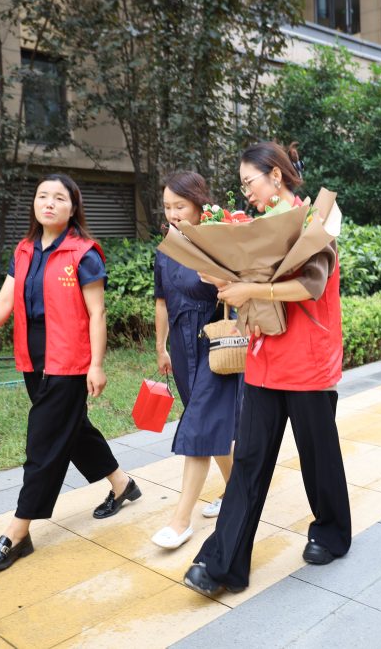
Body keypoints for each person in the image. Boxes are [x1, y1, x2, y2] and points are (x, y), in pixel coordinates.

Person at [183, 142, 351, 595]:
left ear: (276, 176)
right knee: (251, 461)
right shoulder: (253, 227)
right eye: (241, 186)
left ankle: (332, 533)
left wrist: (249, 291)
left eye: (249, 182)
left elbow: (310, 286)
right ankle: (223, 564)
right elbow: (246, 282)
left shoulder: (317, 219)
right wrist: (221, 278)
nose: (247, 194)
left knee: (318, 455)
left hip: (308, 356)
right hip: (263, 357)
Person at [0, 174, 140, 573]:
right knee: (71, 429)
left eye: (59, 198)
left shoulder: (83, 253)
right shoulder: (23, 250)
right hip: (32, 354)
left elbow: (97, 313)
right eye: (43, 196)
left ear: (73, 208)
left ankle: (17, 533)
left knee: (43, 443)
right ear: (34, 204)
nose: (49, 203)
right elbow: (7, 298)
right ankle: (123, 484)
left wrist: (96, 364)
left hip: (70, 359)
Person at [151, 171, 239, 550]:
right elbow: (161, 301)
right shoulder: (164, 249)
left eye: (180, 206)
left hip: (213, 344)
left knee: (199, 428)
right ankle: (239, 491)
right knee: (209, 427)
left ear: (200, 207)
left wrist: (221, 275)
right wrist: (161, 347)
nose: (173, 213)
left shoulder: (218, 242)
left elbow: (238, 294)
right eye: (168, 207)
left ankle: (181, 520)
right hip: (183, 350)